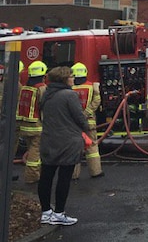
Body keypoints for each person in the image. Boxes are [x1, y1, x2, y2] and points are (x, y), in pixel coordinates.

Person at [38, 66, 89, 226]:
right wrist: (86, 128)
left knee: (46, 177)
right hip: (67, 142)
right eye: (71, 76)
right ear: (64, 79)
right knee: (64, 178)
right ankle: (59, 213)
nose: (73, 79)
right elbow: (79, 117)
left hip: (48, 141)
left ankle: (46, 212)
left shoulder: (47, 94)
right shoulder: (69, 95)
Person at [70, 62, 104, 179]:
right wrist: (85, 114)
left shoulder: (70, 88)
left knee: (74, 148)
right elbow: (97, 101)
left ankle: (73, 175)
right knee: (92, 147)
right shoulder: (92, 86)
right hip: (89, 122)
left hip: (73, 124)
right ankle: (96, 171)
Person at [17, 60, 48, 184]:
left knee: (32, 149)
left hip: (25, 125)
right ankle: (32, 177)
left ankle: (35, 174)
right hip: (37, 126)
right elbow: (44, 107)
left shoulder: (25, 88)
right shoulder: (42, 89)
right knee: (35, 152)